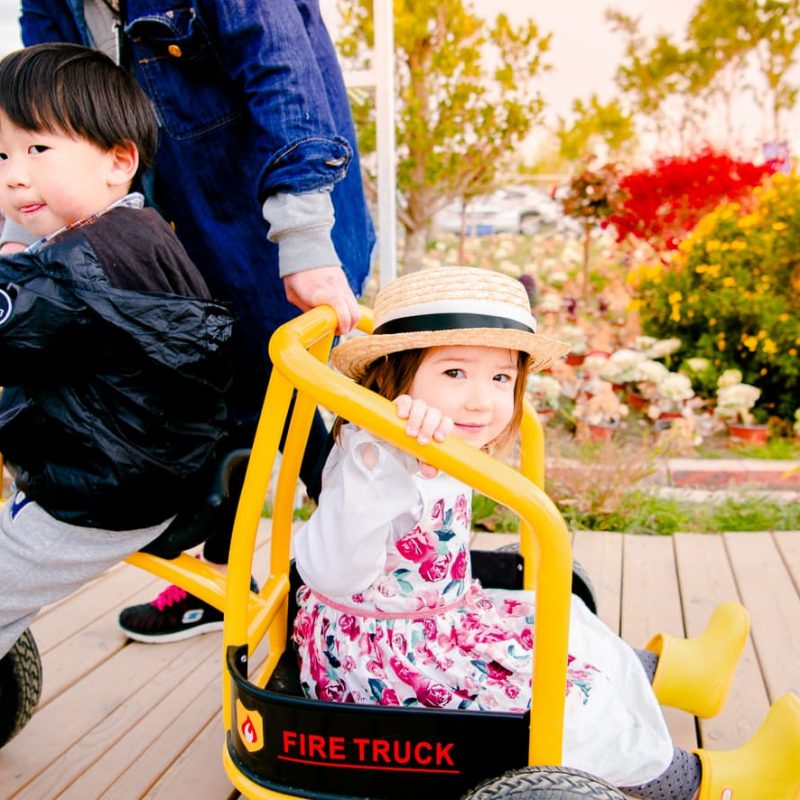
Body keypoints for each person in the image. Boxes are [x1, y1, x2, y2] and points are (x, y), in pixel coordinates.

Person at [292, 266, 800, 799]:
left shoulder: (432, 439)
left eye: (501, 378)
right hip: (384, 665)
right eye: (454, 373)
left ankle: (675, 674)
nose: (481, 400)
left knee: (561, 614)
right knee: (570, 702)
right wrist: (387, 468)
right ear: (396, 377)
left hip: (437, 623)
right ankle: (700, 784)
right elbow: (330, 570)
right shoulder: (375, 455)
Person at [10, 0, 377, 642]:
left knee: (294, 390)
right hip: (159, 211)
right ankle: (226, 573)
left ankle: (372, 580)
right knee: (241, 397)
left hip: (265, 198)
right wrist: (34, 230)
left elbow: (283, 75)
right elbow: (55, 98)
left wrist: (305, 232)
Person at [0, 43, 234, 659]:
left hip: (100, 490)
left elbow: (23, 322)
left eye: (37, 149)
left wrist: (22, 278)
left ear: (118, 160)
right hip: (146, 465)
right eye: (1, 155)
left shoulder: (79, 268)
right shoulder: (132, 233)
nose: (14, 174)